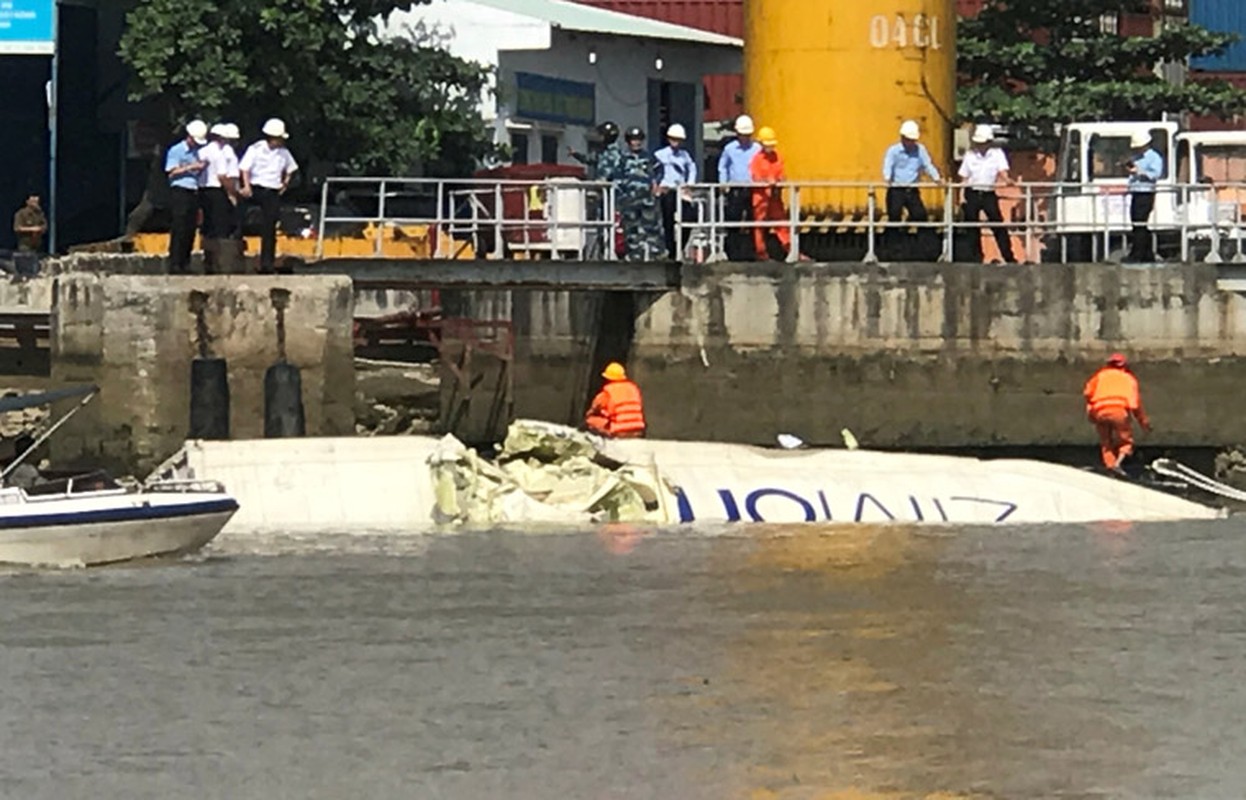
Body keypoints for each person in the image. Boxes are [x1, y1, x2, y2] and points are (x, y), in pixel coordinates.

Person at [240, 118, 299, 274]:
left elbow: (291, 168)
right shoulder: (255, 149)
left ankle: (267, 263)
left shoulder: (283, 152)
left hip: (272, 190)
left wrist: (285, 184)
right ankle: (238, 257)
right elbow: (245, 168)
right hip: (256, 188)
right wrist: (246, 186)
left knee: (270, 228)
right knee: (241, 220)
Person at [1083, 353, 1151, 476]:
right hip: (1119, 411)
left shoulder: (1099, 376)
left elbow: (1087, 393)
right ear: (1124, 366)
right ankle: (1118, 465)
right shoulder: (1129, 379)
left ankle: (1110, 468)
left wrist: (1091, 413)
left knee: (1106, 443)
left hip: (1099, 411)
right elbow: (1134, 405)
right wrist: (1144, 423)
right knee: (1125, 442)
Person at [958, 124, 1017, 264]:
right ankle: (975, 257)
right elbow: (964, 177)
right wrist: (961, 195)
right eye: (979, 143)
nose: (980, 145)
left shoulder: (997, 154)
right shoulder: (970, 155)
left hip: (988, 192)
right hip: (971, 192)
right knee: (971, 226)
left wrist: (1008, 180)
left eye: (983, 143)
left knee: (997, 224)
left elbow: (1002, 171)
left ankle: (1008, 256)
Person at [882, 120, 942, 259]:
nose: (911, 142)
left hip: (912, 190)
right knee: (894, 218)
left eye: (913, 140)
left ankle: (928, 250)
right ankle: (891, 250)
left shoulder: (920, 150)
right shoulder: (893, 151)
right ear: (902, 137)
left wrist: (937, 179)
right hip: (896, 189)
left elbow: (928, 165)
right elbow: (888, 165)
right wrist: (887, 178)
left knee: (920, 217)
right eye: (909, 139)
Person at [606, 127, 665, 262]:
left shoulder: (649, 157)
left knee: (652, 228)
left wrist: (656, 184)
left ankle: (655, 255)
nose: (636, 143)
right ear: (628, 141)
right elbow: (615, 176)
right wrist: (621, 193)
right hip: (629, 200)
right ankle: (634, 256)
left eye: (638, 140)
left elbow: (659, 171)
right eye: (633, 140)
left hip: (647, 199)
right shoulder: (622, 159)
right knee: (631, 229)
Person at [164, 119, 209, 274]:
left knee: (190, 227)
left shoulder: (199, 152)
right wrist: (191, 167)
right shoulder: (177, 150)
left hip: (194, 190)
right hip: (180, 190)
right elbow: (171, 172)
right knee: (179, 226)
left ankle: (186, 262)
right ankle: (175, 262)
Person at [198, 124, 242, 273]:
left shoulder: (204, 150)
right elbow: (223, 176)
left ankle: (209, 261)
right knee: (221, 226)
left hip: (204, 189)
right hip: (218, 190)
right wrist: (232, 193)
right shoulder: (222, 152)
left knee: (209, 226)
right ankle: (219, 262)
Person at [718, 114, 761, 261]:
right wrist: (723, 183)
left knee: (752, 220)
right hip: (735, 188)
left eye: (747, 134)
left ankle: (750, 252)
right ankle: (732, 253)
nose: (745, 137)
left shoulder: (757, 148)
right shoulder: (729, 149)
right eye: (742, 134)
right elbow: (722, 167)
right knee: (732, 220)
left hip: (752, 188)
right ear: (737, 133)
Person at [654, 123, 697, 259]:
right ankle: (670, 249)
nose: (676, 142)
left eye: (678, 139)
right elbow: (654, 172)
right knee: (667, 221)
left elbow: (692, 169)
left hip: (681, 190)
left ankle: (680, 246)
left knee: (689, 218)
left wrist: (690, 185)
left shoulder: (685, 156)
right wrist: (656, 186)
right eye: (673, 138)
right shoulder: (660, 155)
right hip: (667, 190)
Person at [749, 127, 791, 261]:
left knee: (782, 224)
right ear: (761, 144)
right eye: (768, 145)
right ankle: (761, 254)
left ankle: (790, 250)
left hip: (774, 197)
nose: (770, 147)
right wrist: (767, 181)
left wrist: (780, 180)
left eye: (772, 145)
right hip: (761, 197)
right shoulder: (757, 159)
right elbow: (755, 177)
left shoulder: (777, 157)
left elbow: (781, 173)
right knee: (759, 226)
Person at [1126, 131, 1164, 263]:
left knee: (1140, 222)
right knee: (1136, 222)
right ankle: (1146, 254)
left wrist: (1141, 172)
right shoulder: (1137, 157)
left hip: (1146, 192)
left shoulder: (1154, 157)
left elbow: (1156, 174)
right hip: (1136, 191)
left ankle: (1138, 254)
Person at [585, 362, 646, 438]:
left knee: (591, 420)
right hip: (638, 430)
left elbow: (593, 410)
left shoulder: (607, 393)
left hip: (619, 431)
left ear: (607, 378)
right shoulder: (633, 389)